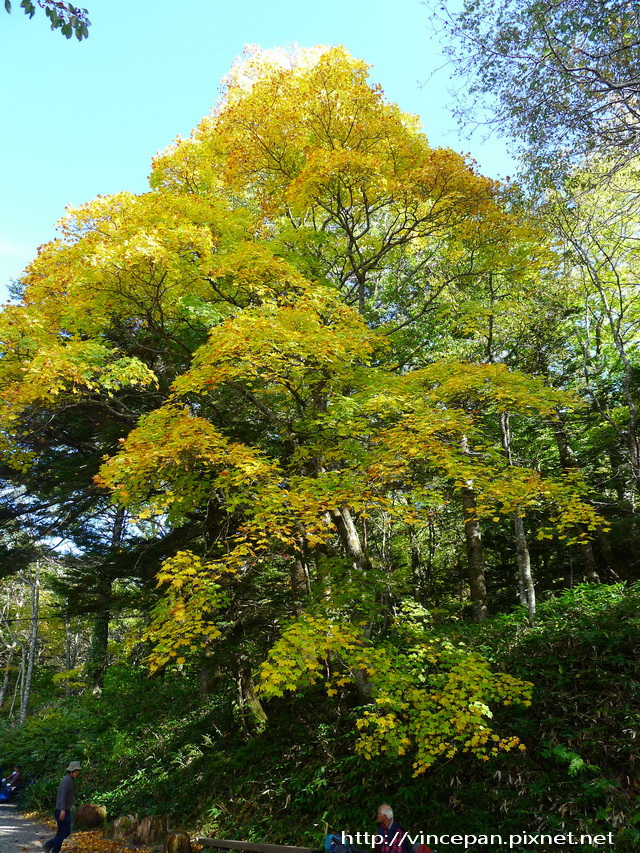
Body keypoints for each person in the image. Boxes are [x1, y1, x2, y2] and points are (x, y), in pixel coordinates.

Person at [42, 761, 81, 853]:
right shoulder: (66, 781)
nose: (77, 773)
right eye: (76, 771)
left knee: (66, 832)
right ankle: (52, 848)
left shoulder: (69, 780)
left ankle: (50, 846)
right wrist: (62, 810)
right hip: (61, 810)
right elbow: (62, 796)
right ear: (72, 771)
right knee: (62, 833)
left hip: (65, 810)